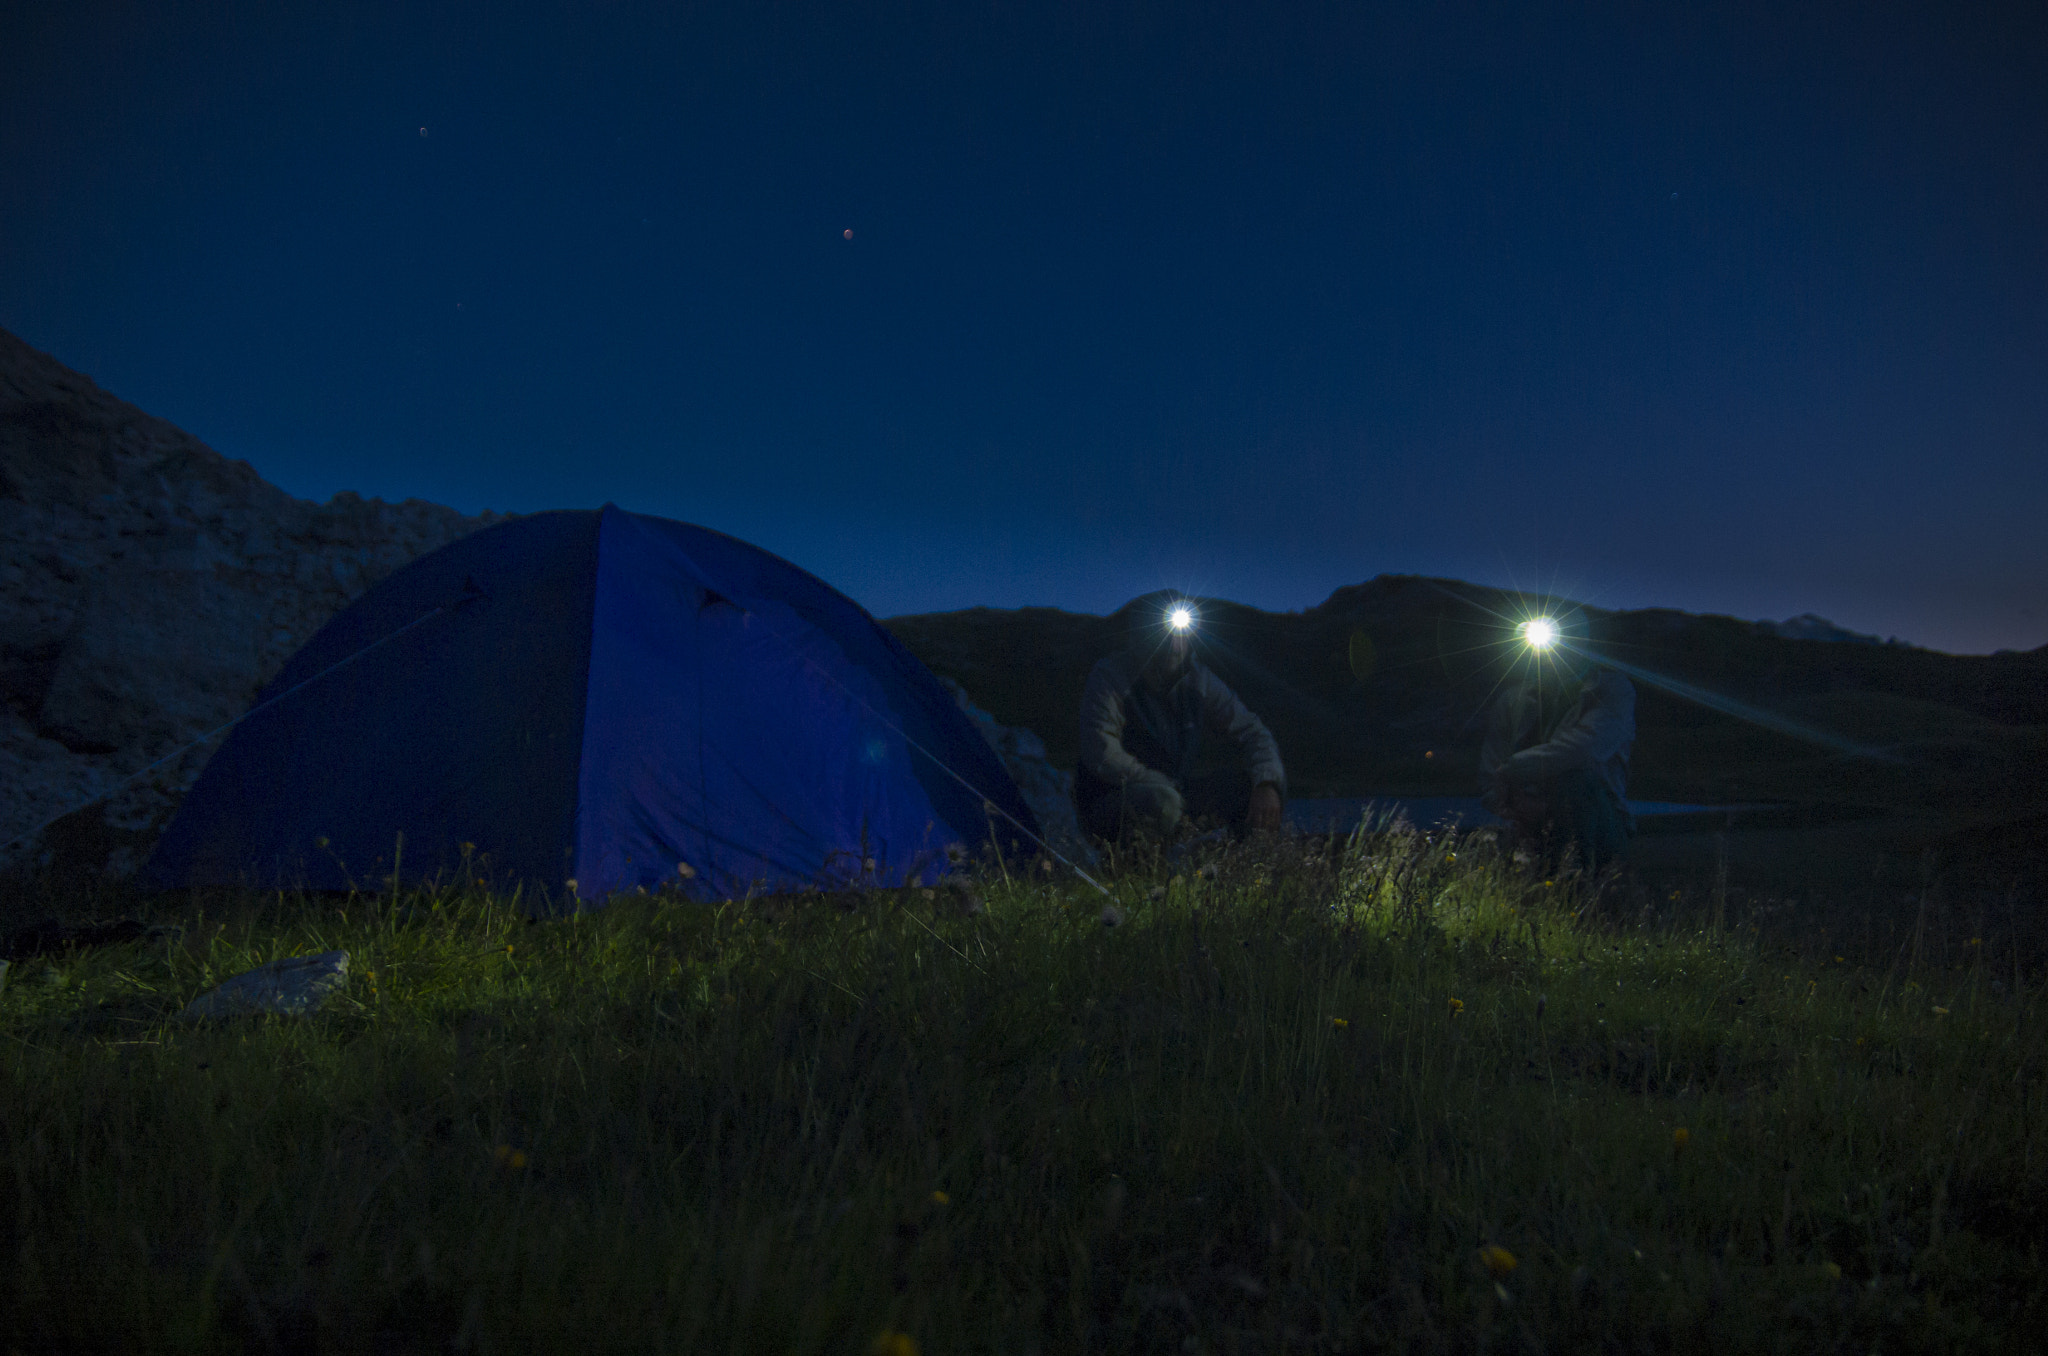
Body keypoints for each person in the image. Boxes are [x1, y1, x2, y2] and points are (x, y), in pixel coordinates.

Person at [1075, 595, 1287, 841]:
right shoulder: (1112, 676)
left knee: (1250, 790)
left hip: (1175, 791)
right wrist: (1160, 783)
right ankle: (1135, 869)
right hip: (1113, 798)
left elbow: (1252, 731)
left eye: (1181, 629)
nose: (1174, 642)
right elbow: (1101, 752)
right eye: (1163, 629)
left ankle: (1247, 870)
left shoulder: (1199, 680)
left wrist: (1266, 782)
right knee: (1162, 800)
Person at [1479, 611, 1637, 874]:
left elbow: (1584, 748)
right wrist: (1514, 804)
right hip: (1524, 820)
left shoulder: (1612, 690)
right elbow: (1489, 770)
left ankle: (1586, 889)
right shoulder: (1513, 700)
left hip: (1597, 821)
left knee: (1578, 782)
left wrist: (1512, 770)